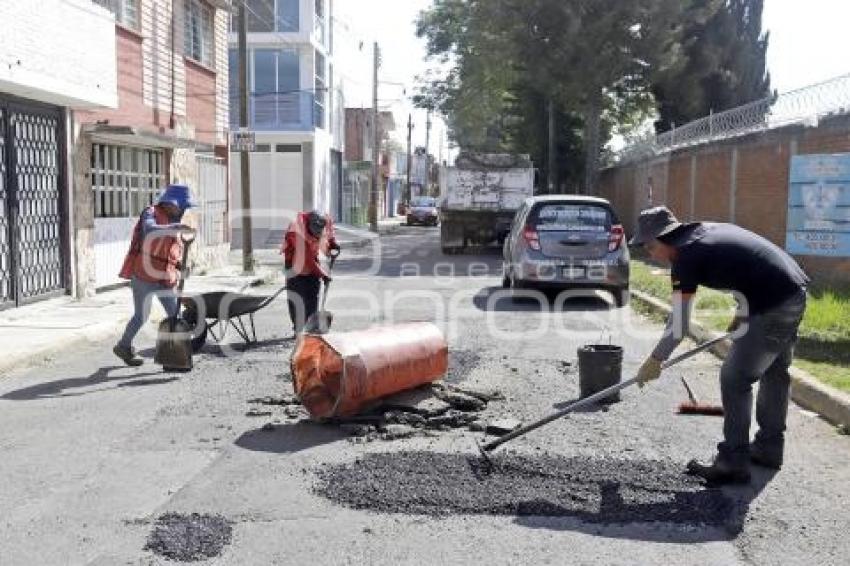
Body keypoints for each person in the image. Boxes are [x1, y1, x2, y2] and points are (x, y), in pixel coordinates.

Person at [631, 206, 808, 485]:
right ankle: (769, 448)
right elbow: (745, 267)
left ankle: (732, 462)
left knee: (735, 377)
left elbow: (679, 326)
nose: (648, 253)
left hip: (774, 303)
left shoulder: (686, 257)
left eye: (649, 246)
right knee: (774, 371)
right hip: (792, 291)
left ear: (664, 239)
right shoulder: (702, 233)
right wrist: (742, 312)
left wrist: (655, 360)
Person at [113, 184, 197, 366]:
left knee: (176, 316)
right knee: (141, 316)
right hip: (144, 274)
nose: (182, 210)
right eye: (180, 206)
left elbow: (169, 248)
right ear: (169, 202)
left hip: (165, 276)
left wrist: (180, 264)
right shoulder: (150, 213)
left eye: (184, 207)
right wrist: (177, 226)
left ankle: (176, 356)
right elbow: (150, 230)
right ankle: (123, 347)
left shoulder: (172, 219)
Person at [281, 210, 340, 335]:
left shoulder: (324, 221)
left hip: (311, 263)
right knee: (297, 299)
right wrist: (323, 275)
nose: (317, 237)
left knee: (313, 297)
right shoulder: (296, 231)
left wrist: (333, 244)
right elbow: (306, 259)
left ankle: (310, 328)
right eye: (315, 234)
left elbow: (328, 234)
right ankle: (298, 329)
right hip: (294, 267)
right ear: (308, 226)